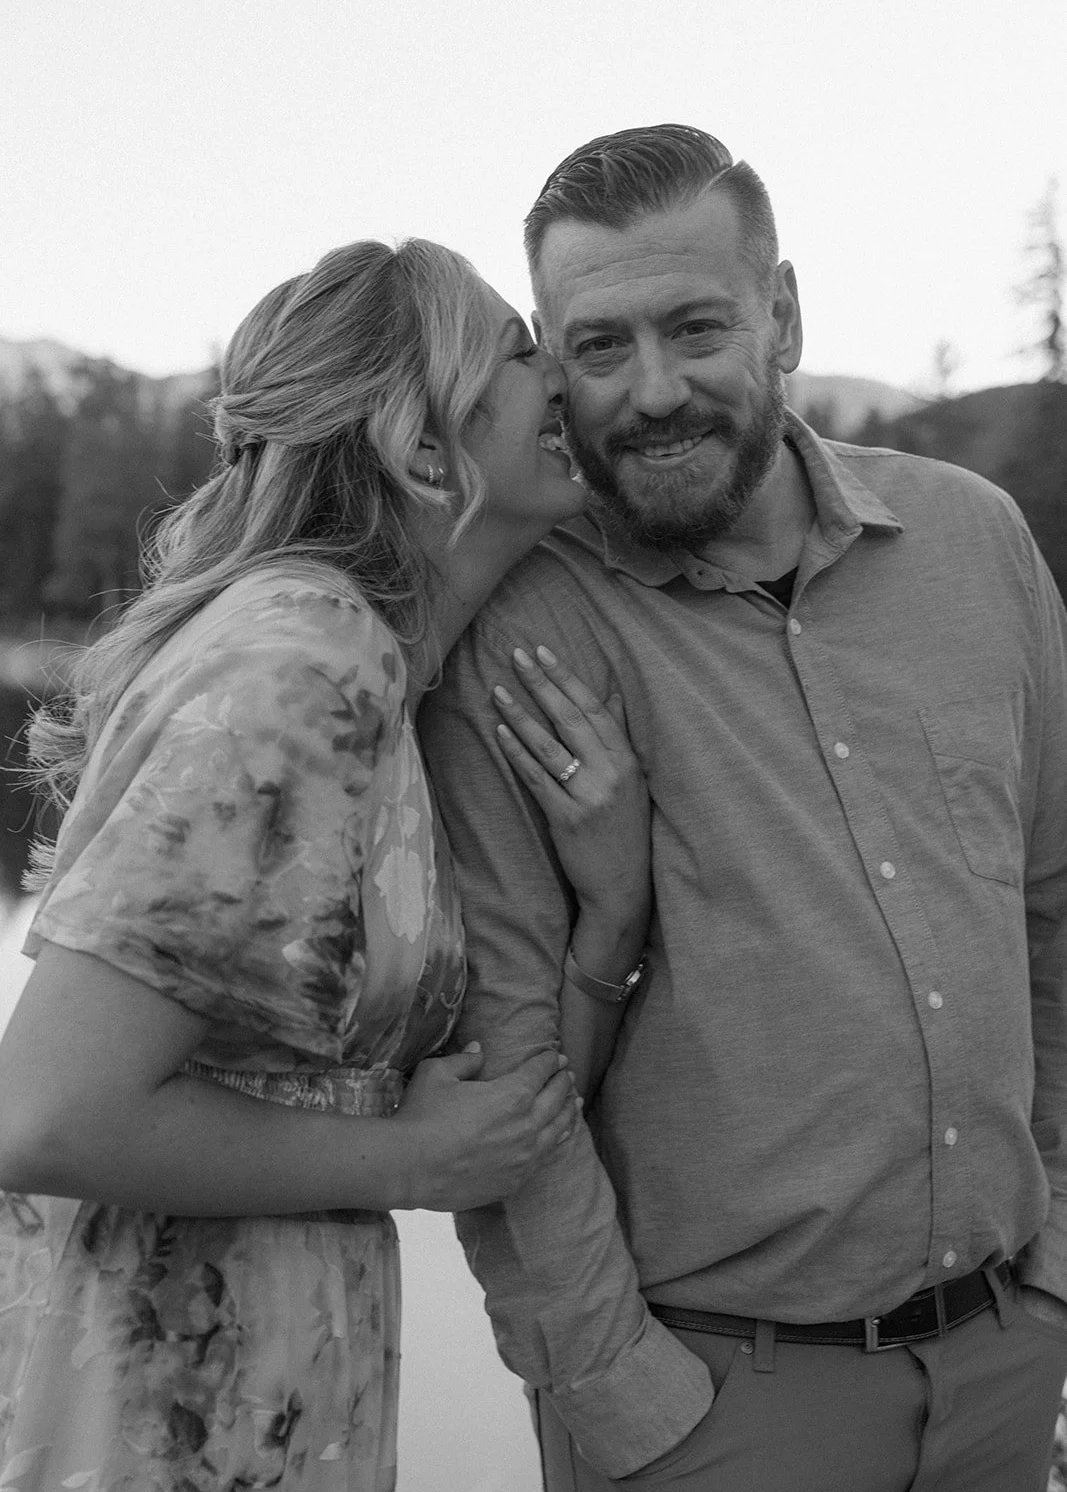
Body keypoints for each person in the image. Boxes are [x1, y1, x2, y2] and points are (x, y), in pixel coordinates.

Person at [418, 125, 1067, 1490]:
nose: (652, 392)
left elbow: (1049, 916)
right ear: (548, 356)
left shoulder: (972, 542)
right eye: (597, 347)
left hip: (1002, 1371)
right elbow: (502, 1062)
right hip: (709, 1407)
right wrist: (612, 1392)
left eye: (694, 327)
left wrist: (1053, 1265)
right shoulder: (520, 630)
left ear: (779, 314)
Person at [0, 236, 652, 1492]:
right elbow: (43, 1115)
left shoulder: (385, 686)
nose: (561, 382)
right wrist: (402, 1162)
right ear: (423, 449)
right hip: (142, 1429)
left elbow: (487, 1120)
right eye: (522, 355)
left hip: (276, 1402)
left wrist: (611, 911)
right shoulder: (305, 662)